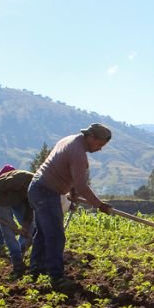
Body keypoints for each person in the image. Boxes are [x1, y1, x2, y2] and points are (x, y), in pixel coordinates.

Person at [28, 123, 113, 287]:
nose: (100, 149)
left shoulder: (70, 140)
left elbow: (67, 172)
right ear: (91, 137)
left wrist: (72, 191)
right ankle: (57, 278)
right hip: (46, 192)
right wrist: (99, 205)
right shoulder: (78, 154)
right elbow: (82, 185)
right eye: (99, 144)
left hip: (37, 188)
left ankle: (36, 270)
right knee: (56, 236)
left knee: (43, 233)